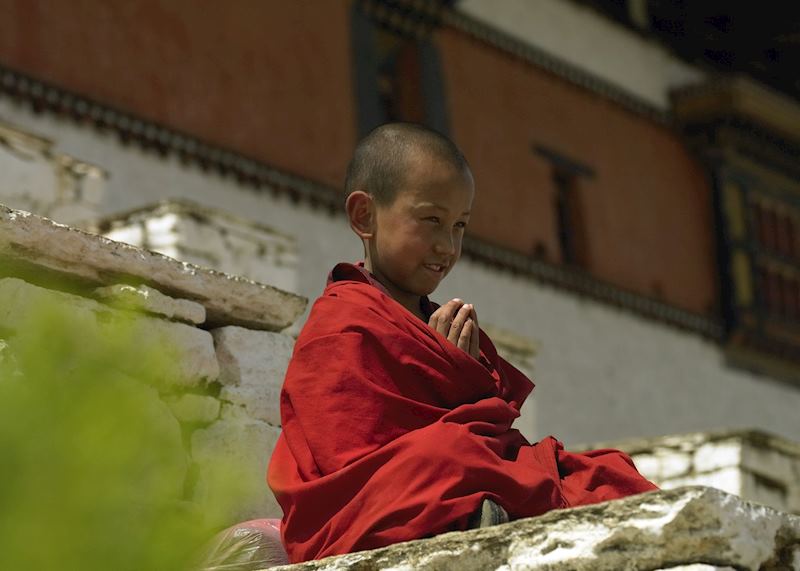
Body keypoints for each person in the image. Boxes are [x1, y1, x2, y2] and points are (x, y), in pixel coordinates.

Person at [267, 123, 657, 563]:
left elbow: (488, 433)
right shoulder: (341, 323)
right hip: (361, 507)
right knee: (447, 455)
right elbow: (349, 464)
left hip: (440, 476)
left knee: (606, 471)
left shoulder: (434, 322)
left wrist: (458, 373)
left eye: (460, 226)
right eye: (431, 219)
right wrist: (452, 380)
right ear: (364, 216)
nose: (446, 245)